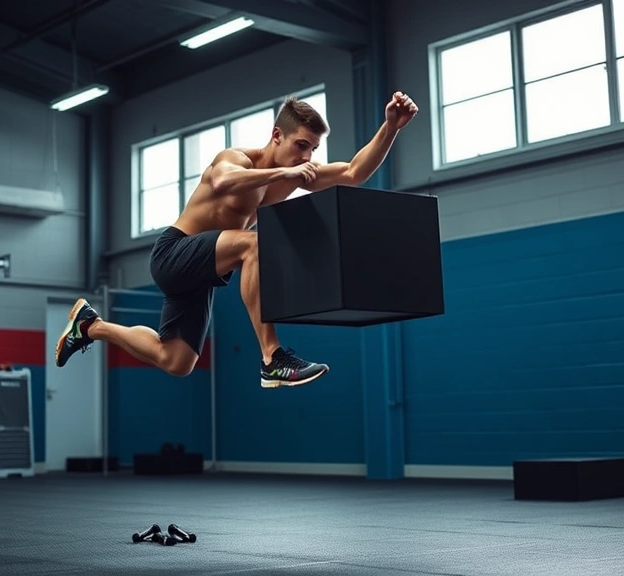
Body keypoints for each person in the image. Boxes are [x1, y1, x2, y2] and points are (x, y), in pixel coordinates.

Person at [55, 91, 420, 388]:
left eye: (312, 150)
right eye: (301, 145)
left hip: (201, 273)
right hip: (173, 252)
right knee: (254, 243)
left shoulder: (292, 174)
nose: (306, 156)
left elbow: (353, 173)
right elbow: (222, 181)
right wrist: (288, 170)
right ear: (277, 135)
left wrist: (390, 127)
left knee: (177, 361)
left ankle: (90, 325)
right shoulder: (237, 158)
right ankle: (272, 358)